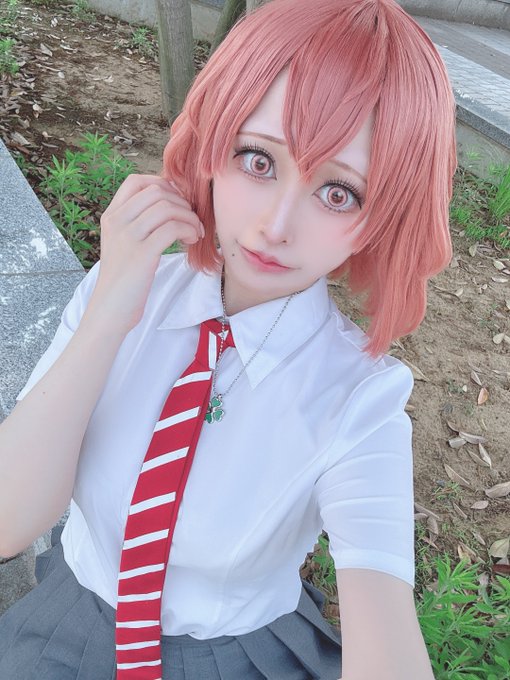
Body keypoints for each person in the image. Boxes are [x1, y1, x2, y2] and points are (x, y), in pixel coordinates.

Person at [0, 0, 456, 678]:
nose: (276, 225)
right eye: (258, 159)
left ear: (382, 218)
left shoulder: (359, 399)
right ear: (214, 145)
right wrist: (108, 317)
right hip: (74, 623)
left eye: (339, 193)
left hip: (238, 656)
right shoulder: (127, 291)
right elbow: (10, 519)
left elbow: (383, 617)